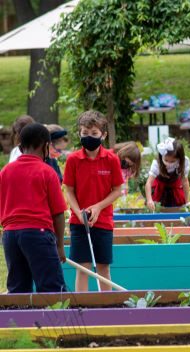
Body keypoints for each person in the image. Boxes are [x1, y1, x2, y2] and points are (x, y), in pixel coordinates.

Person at [0, 123, 67, 293]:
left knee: (18, 291)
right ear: (46, 146)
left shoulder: (5, 171)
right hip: (38, 234)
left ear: (20, 147)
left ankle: (17, 321)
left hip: (10, 236)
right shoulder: (46, 171)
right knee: (52, 289)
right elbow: (58, 213)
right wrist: (59, 246)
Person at [63, 110, 124, 292]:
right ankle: (82, 307)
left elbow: (117, 190)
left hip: (104, 221)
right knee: (84, 267)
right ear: (79, 134)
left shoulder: (111, 159)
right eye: (85, 133)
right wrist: (78, 212)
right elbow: (69, 191)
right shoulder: (73, 160)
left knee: (103, 266)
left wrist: (98, 207)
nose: (89, 137)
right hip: (79, 222)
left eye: (94, 134)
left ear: (103, 135)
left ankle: (106, 307)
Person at [145, 137, 190, 209]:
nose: (169, 163)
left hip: (175, 191)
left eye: (172, 161)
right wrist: (149, 200)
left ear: (179, 158)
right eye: (166, 160)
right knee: (158, 210)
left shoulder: (184, 162)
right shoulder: (157, 163)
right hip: (160, 191)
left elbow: (185, 181)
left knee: (176, 210)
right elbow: (149, 183)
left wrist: (188, 201)